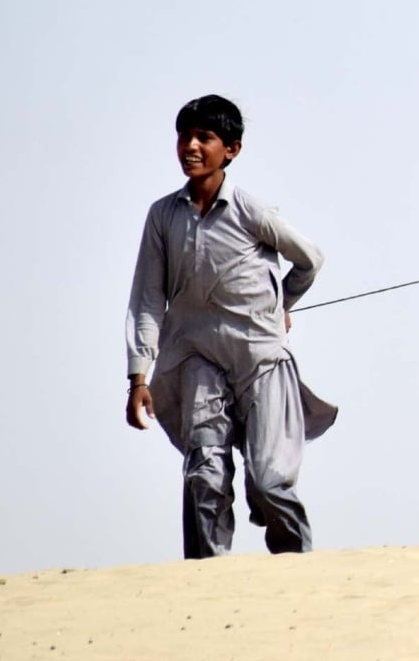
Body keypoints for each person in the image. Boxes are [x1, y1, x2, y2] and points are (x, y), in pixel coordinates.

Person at [125, 95, 337, 558]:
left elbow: (310, 259)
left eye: (205, 137)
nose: (191, 147)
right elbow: (146, 299)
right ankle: (205, 587)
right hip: (196, 360)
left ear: (232, 150)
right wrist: (138, 377)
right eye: (185, 136)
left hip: (259, 360)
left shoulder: (249, 210)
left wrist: (283, 300)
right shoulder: (163, 216)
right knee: (204, 476)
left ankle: (296, 577)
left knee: (270, 482)